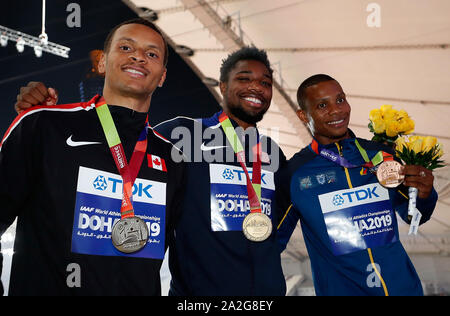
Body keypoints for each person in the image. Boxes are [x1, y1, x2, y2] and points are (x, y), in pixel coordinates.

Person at [13, 47, 287, 296]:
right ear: (223, 85)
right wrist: (50, 114)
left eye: (265, 83)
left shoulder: (272, 151)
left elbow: (283, 217)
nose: (256, 87)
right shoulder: (185, 134)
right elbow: (118, 142)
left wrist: (266, 255)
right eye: (244, 78)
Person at [0, 18, 185, 296]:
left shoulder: (173, 158)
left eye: (152, 54)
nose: (138, 57)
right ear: (101, 63)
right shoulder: (43, 126)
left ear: (161, 77)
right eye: (125, 47)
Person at [276, 74, 438, 296]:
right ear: (303, 115)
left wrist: (424, 194)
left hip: (403, 289)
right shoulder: (294, 174)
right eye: (323, 105)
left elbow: (414, 215)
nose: (336, 110)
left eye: (340, 100)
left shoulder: (382, 155)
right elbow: (271, 244)